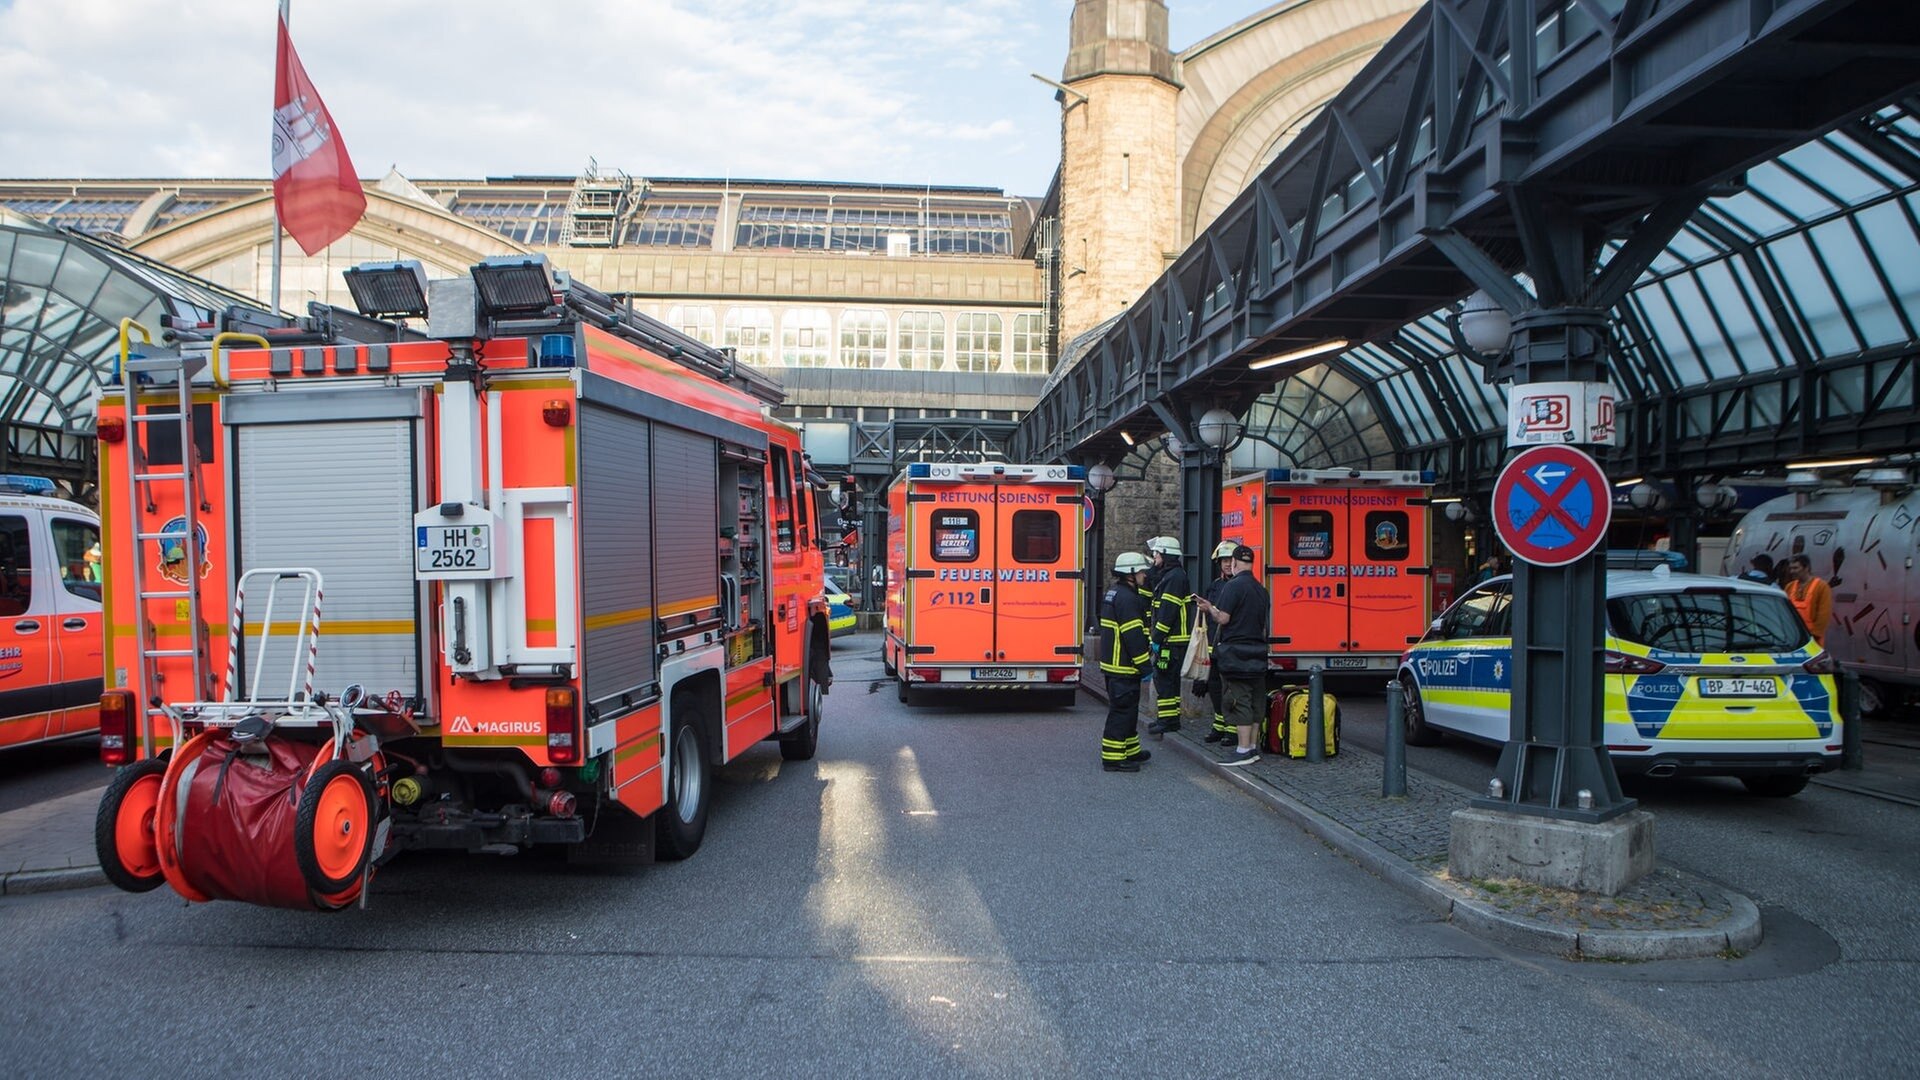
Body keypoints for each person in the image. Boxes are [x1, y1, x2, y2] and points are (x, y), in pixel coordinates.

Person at [1195, 544, 1271, 768]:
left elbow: (1223, 619)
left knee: (1240, 699)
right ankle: (1254, 748)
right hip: (1258, 651)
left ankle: (1243, 749)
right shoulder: (1261, 590)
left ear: (1236, 563)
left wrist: (1209, 608)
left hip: (1236, 652)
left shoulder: (1233, 587)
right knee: (1257, 700)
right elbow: (1264, 628)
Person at [1097, 552, 1156, 772]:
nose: (1143, 575)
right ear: (1130, 574)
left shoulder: (1115, 592)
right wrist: (1145, 666)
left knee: (1129, 710)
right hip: (1123, 666)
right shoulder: (1128, 598)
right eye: (1141, 571)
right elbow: (1133, 636)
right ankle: (1113, 758)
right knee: (1122, 711)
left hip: (1114, 665)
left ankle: (1130, 751)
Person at [1145, 536, 1193, 735]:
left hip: (1170, 640)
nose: (1154, 556)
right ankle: (1169, 719)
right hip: (1171, 640)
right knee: (1168, 681)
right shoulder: (1170, 575)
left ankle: (1167, 720)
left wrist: (1156, 639)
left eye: (1156, 553)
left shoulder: (1174, 578)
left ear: (1165, 555)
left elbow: (1167, 612)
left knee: (1164, 680)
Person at [1199, 540, 1238, 745]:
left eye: (1230, 559)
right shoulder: (1214, 586)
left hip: (1231, 646)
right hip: (1214, 645)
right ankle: (1219, 724)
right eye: (1223, 560)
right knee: (1214, 686)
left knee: (1230, 688)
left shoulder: (1239, 586)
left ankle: (1232, 730)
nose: (1226, 564)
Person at [1783, 554, 1833, 647]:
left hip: (1812, 640)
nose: (1792, 571)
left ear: (1806, 568)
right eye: (1791, 568)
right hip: (1792, 638)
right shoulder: (1789, 587)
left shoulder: (1821, 587)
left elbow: (1824, 615)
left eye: (1795, 568)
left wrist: (1813, 637)